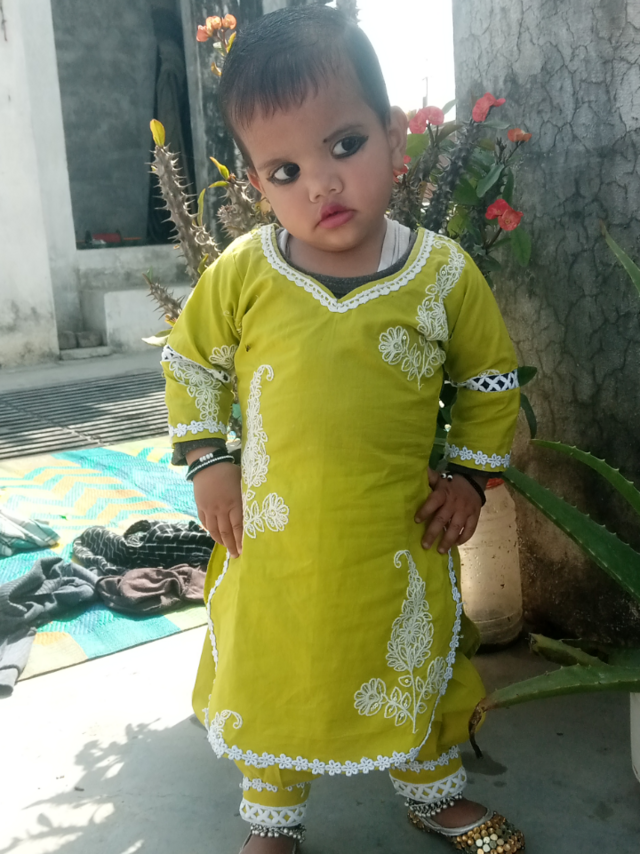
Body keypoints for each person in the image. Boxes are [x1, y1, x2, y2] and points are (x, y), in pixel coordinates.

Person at [163, 7, 524, 853]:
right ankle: (272, 816)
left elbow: (488, 378)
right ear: (258, 184)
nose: (320, 185)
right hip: (273, 544)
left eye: (345, 146)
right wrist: (210, 462)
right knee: (277, 668)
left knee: (408, 658)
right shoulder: (245, 274)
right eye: (286, 170)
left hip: (395, 539)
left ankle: (431, 791)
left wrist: (470, 480)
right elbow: (191, 362)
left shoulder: (442, 276)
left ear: (392, 135)